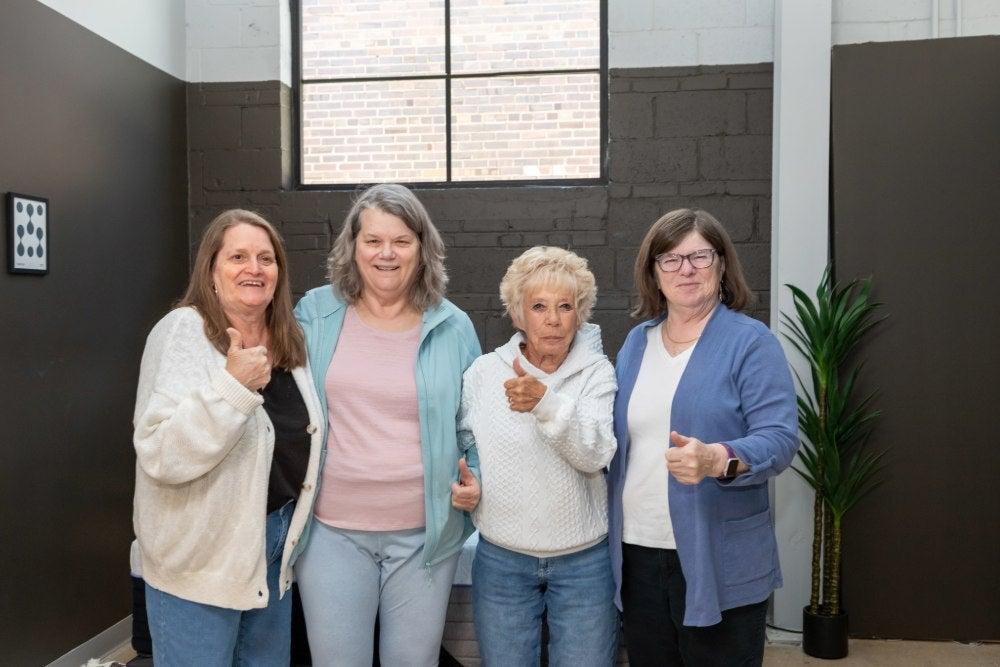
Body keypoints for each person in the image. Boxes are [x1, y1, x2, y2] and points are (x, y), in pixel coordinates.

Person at [293, 183, 482, 666]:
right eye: (373, 240)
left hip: (424, 534)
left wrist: (475, 479)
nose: (386, 254)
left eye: (401, 241)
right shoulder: (315, 312)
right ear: (352, 247)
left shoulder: (452, 325)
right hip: (332, 531)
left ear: (422, 248)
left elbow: (475, 424)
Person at [132, 209, 324, 665]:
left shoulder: (290, 342)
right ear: (211, 271)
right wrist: (233, 387)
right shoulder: (183, 331)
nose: (254, 269)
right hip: (198, 562)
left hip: (274, 552)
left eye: (266, 258)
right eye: (238, 256)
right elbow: (159, 453)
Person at [607, 208, 798, 666]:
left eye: (699, 256)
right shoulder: (637, 343)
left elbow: (779, 438)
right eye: (670, 259)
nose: (685, 269)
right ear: (653, 273)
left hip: (719, 557)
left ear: (722, 265)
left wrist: (718, 458)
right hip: (638, 554)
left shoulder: (750, 342)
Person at [461, 246, 620, 666]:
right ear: (517, 315)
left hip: (584, 562)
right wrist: (465, 482)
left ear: (579, 314)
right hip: (501, 559)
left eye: (565, 306)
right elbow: (462, 446)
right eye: (539, 306)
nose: (553, 319)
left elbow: (596, 452)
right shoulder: (483, 374)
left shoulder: (597, 373)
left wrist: (544, 403)